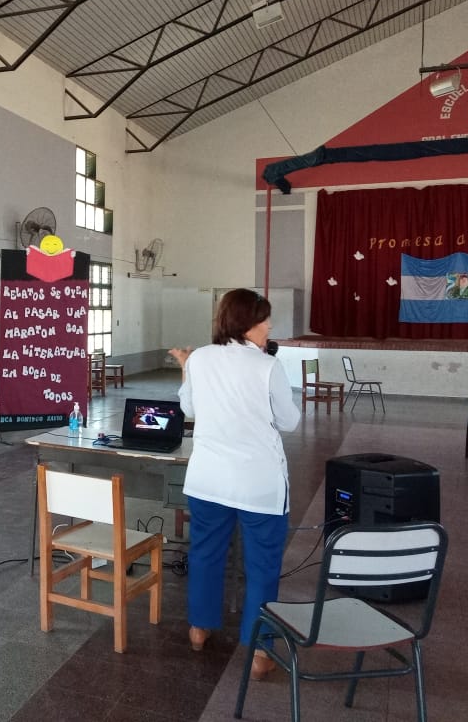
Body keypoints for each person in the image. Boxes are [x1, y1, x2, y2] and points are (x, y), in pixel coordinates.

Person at [169, 289, 301, 681]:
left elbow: (188, 409)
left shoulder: (201, 359)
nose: (270, 327)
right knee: (262, 566)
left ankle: (199, 628)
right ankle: (259, 651)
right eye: (265, 320)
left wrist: (184, 366)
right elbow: (290, 421)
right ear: (246, 323)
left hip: (207, 480)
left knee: (206, 554)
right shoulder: (267, 366)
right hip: (258, 484)